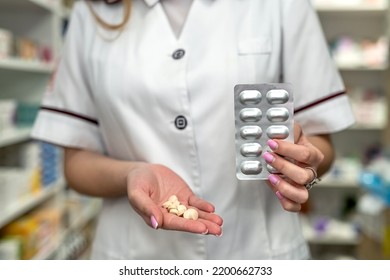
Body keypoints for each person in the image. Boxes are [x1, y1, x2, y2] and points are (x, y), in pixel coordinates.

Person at [31, 0, 355, 259]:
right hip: (136, 257)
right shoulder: (93, 12)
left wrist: (303, 159)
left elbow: (321, 145)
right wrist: (132, 174)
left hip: (257, 252)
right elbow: (75, 165)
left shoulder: (282, 4)